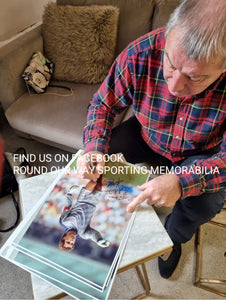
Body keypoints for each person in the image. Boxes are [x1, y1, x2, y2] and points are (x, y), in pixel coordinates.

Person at [77, 0, 226, 278]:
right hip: (148, 133)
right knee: (99, 161)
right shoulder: (141, 51)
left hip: (203, 150)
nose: (174, 86)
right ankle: (99, 218)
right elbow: (103, 104)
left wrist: (182, 181)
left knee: (206, 203)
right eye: (170, 64)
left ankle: (174, 237)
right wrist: (94, 148)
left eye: (194, 77)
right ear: (168, 34)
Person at [59, 180, 110, 252]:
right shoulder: (83, 234)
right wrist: (99, 240)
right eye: (72, 243)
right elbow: (92, 234)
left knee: (93, 182)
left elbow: (67, 207)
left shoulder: (63, 222)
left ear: (63, 238)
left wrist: (69, 194)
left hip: (82, 198)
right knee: (101, 182)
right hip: (93, 202)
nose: (71, 241)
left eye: (68, 242)